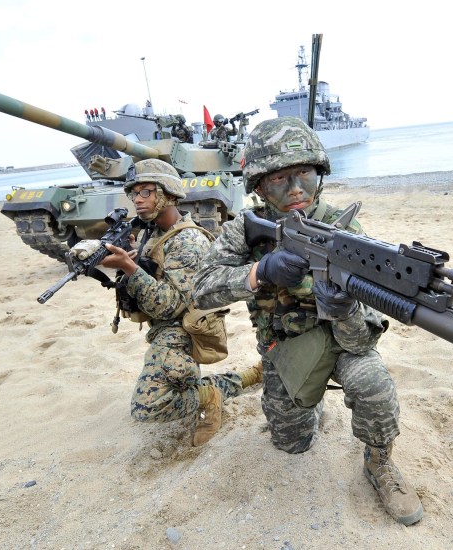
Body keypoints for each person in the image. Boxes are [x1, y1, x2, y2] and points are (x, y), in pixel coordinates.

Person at [191, 117, 424, 525]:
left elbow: (361, 341)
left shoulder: (345, 229)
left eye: (306, 176)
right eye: (281, 179)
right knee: (292, 443)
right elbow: (202, 291)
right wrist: (258, 272)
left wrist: (344, 307)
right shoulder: (244, 229)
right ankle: (309, 410)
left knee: (372, 382)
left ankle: (379, 461)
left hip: (341, 343)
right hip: (285, 352)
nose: (296, 189)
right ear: (259, 186)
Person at [100, 158, 262, 446]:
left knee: (148, 406)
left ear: (169, 195)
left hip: (184, 330)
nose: (137, 199)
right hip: (166, 327)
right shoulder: (156, 233)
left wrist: (130, 268)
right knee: (178, 382)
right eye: (134, 193)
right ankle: (247, 377)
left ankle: (211, 395)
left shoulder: (187, 241)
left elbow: (170, 305)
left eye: (146, 192)